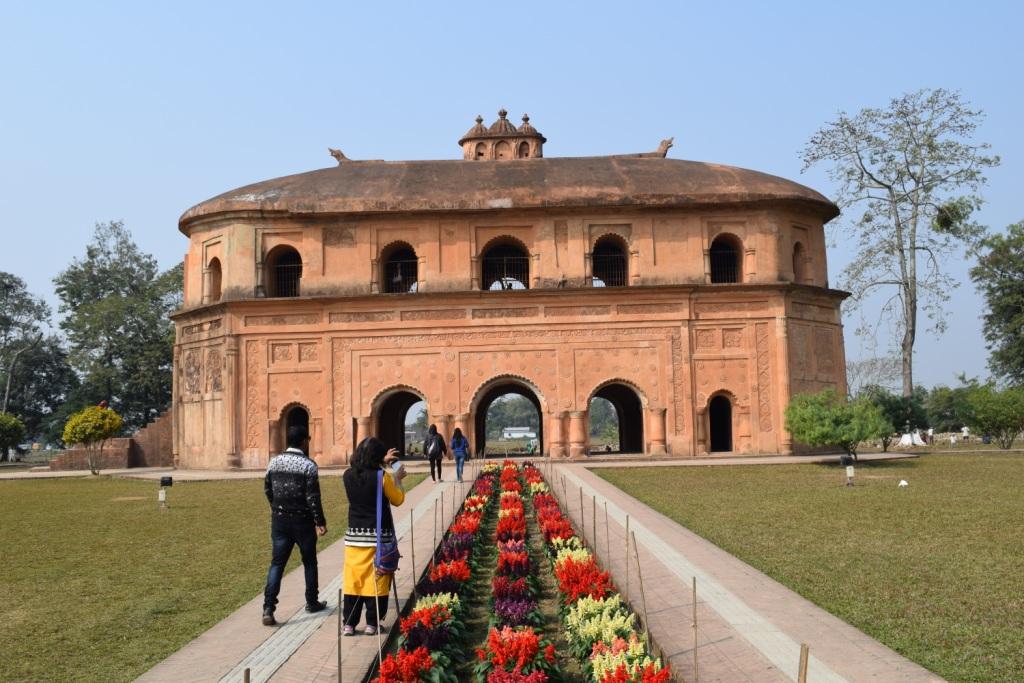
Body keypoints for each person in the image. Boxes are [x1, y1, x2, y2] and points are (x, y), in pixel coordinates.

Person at [261, 425, 327, 626]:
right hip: (303, 522)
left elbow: (267, 489)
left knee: (277, 564)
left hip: (280, 521)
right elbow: (313, 497)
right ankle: (311, 601)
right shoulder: (308, 465)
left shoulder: (274, 462)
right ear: (304, 441)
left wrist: (276, 507)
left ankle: (268, 607)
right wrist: (320, 522)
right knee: (309, 562)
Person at [342, 437, 406, 635]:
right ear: (377, 457)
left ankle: (349, 624)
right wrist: (397, 478)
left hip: (354, 537)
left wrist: (381, 462)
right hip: (378, 538)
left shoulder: (347, 475)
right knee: (377, 580)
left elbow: (365, 474)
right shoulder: (382, 477)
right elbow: (398, 499)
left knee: (354, 580)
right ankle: (372, 623)